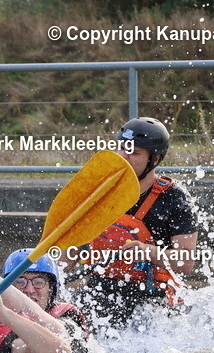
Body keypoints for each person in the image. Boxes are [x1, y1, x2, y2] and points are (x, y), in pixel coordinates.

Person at [63, 117, 200, 327]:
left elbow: (186, 262)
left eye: (134, 152)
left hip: (152, 298)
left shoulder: (175, 199)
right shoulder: (101, 191)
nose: (124, 157)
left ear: (154, 159)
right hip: (99, 290)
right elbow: (67, 256)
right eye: (122, 149)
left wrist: (147, 251)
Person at [3, 249, 90, 353]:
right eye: (20, 282)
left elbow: (57, 337)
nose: (29, 290)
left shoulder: (69, 317)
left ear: (50, 289)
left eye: (38, 282)